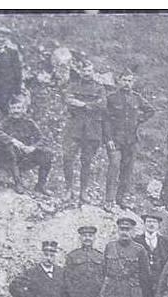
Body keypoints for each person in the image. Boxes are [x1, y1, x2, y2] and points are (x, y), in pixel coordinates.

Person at [103, 68, 155, 205]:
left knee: (127, 171)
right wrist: (108, 139)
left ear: (133, 82)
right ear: (119, 81)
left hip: (131, 140)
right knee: (114, 167)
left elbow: (150, 110)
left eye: (130, 81)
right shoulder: (111, 98)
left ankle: (121, 199)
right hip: (115, 140)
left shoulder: (137, 98)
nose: (127, 83)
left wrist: (139, 120)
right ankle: (109, 200)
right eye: (124, 80)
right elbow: (105, 120)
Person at [62, 54, 106, 205]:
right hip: (74, 128)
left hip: (91, 130)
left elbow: (102, 105)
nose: (86, 73)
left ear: (93, 71)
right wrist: (88, 104)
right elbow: (68, 101)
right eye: (84, 71)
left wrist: (81, 104)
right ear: (80, 71)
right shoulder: (73, 85)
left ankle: (83, 191)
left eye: (89, 70)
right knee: (68, 158)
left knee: (86, 161)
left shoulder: (99, 88)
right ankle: (68, 189)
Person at [0, 96, 52, 194]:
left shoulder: (29, 122)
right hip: (8, 157)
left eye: (18, 108)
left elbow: (42, 138)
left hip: (24, 155)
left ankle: (40, 185)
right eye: (13, 108)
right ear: (10, 110)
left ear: (23, 109)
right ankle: (18, 183)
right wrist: (12, 140)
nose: (16, 111)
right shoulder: (6, 122)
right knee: (10, 148)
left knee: (47, 153)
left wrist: (33, 147)